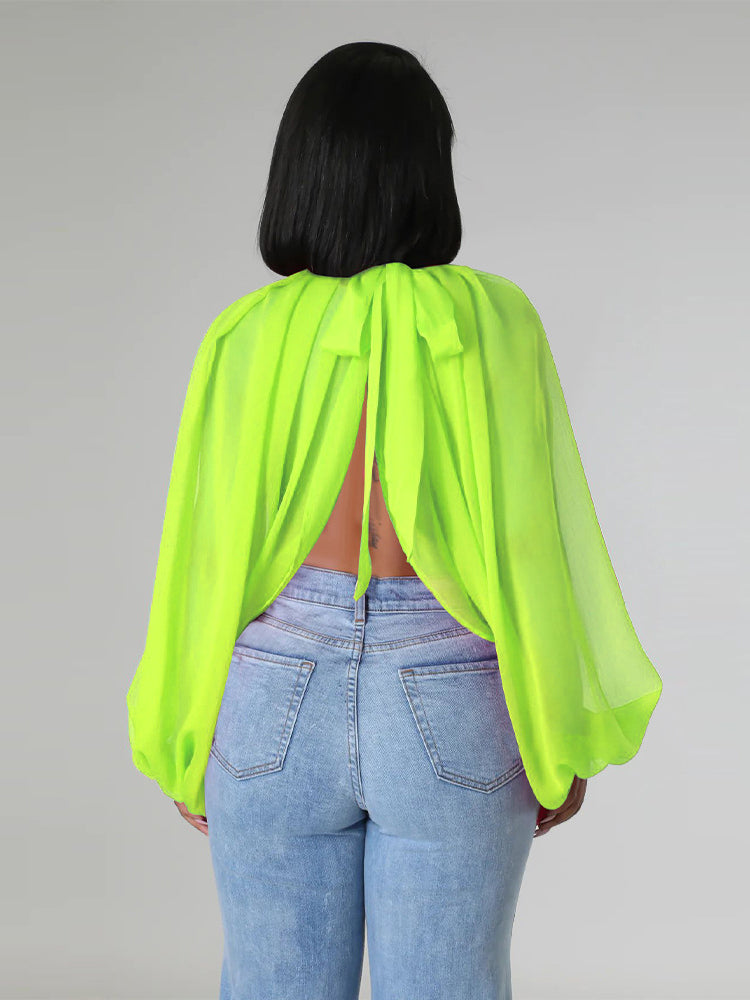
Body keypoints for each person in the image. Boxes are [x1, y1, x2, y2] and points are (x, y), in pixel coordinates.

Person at [130, 39, 658, 1000]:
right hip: (451, 691)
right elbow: (530, 541)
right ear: (427, 172)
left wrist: (187, 726)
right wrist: (553, 725)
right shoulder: (492, 318)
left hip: (272, 694)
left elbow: (205, 555)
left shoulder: (245, 332)